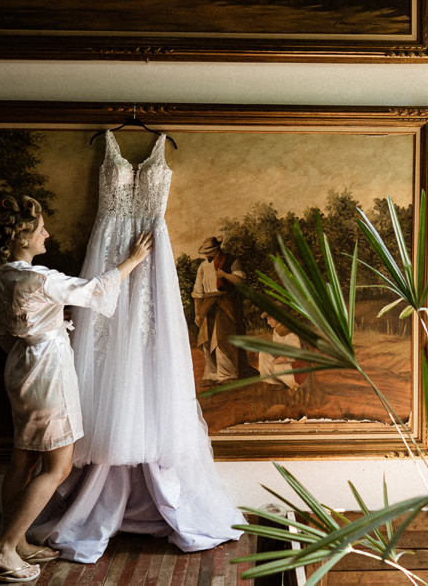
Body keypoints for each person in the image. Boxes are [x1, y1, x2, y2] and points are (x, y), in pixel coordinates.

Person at [27, 130, 243, 563]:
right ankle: (98, 493)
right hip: (109, 253)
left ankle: (147, 490)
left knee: (150, 345)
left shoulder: (162, 146)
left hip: (151, 253)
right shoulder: (103, 145)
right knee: (105, 348)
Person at [0, 195, 151, 582]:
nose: (47, 234)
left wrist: (29, 351)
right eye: (41, 229)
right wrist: (133, 260)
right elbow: (93, 290)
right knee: (57, 467)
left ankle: (16, 538)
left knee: (23, 460)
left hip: (21, 369)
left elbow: (0, 332)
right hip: (48, 375)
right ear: (23, 239)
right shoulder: (40, 279)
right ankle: (4, 548)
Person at [191, 236, 257, 387]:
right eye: (206, 252)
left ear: (216, 249)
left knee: (221, 338)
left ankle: (227, 373)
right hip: (208, 304)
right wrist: (197, 313)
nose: (207, 255)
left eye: (209, 251)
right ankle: (212, 374)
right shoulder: (202, 267)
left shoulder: (232, 260)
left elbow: (240, 282)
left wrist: (224, 275)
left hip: (225, 302)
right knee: (206, 340)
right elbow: (197, 292)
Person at [258, 311, 300, 391]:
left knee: (275, 366)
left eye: (270, 319)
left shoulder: (288, 331)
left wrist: (275, 362)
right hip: (284, 362)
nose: (268, 322)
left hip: (294, 366)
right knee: (263, 354)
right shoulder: (276, 330)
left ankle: (291, 385)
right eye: (267, 319)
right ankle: (276, 383)